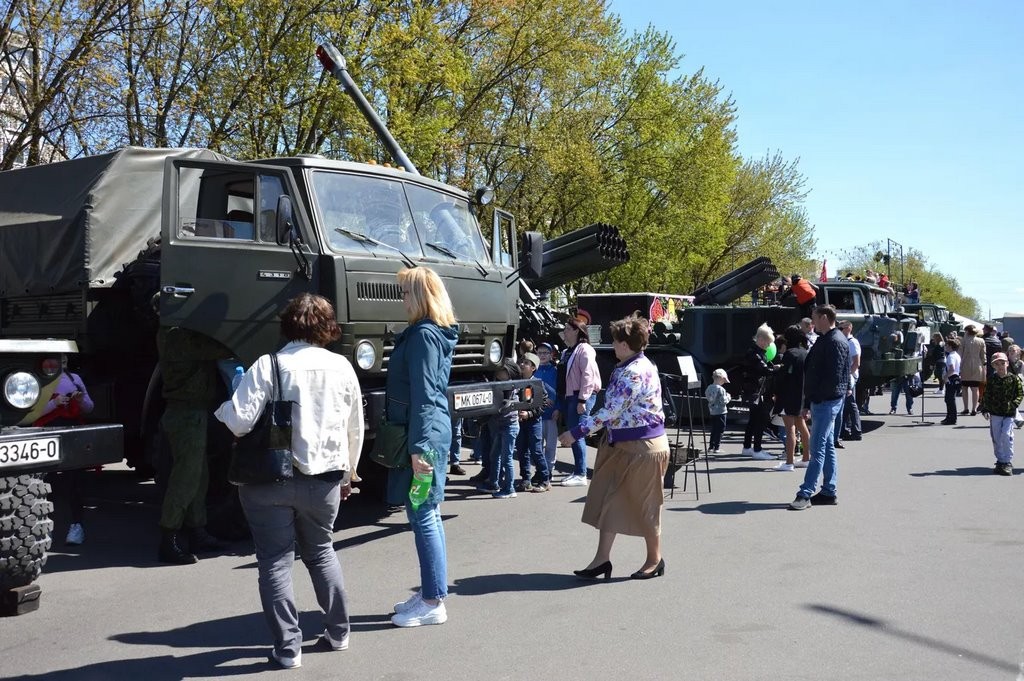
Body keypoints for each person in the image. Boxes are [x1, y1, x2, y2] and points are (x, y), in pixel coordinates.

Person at [214, 293, 363, 669]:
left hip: (268, 480)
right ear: (327, 326)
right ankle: (339, 631)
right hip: (325, 481)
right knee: (322, 552)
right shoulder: (343, 367)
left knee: (275, 563)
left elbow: (239, 422)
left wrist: (224, 406)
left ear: (287, 325)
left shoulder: (268, 365)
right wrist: (350, 473)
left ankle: (288, 649)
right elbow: (355, 428)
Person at [558, 314, 669, 580]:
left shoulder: (633, 372)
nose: (613, 345)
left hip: (643, 447)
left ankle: (655, 560)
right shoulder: (633, 365)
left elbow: (610, 411)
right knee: (609, 502)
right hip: (626, 444)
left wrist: (575, 433)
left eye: (616, 340)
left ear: (625, 344)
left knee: (646, 506)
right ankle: (601, 560)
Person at [385, 266, 458, 628]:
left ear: (420, 296)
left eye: (405, 293)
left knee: (423, 512)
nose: (401, 300)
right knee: (424, 511)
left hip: (424, 439)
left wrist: (420, 448)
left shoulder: (425, 336)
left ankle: (432, 601)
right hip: (424, 435)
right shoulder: (427, 333)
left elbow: (426, 396)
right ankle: (432, 591)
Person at [156, 326, 232, 564]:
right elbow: (222, 349)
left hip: (191, 412)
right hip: (186, 413)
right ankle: (169, 539)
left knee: (199, 477)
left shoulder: (174, 334)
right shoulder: (177, 336)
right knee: (185, 479)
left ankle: (198, 532)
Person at [789, 305, 849, 510]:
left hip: (826, 401)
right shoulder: (830, 339)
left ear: (824, 317)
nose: (813, 322)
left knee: (818, 448)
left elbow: (832, 377)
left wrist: (813, 399)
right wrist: (810, 402)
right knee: (826, 446)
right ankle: (828, 491)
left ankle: (805, 493)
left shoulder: (834, 341)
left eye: (815, 318)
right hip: (825, 401)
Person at [35, 357, 95, 545]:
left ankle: (77, 526)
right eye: (55, 358)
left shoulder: (75, 378)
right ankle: (42, 528)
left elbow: (89, 407)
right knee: (45, 483)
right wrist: (55, 403)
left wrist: (80, 398)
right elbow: (31, 412)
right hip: (47, 434)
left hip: (71, 433)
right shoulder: (37, 380)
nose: (60, 362)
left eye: (63, 358)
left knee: (75, 481)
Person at [560, 315, 602, 487]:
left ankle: (581, 474)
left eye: (568, 329)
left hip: (581, 396)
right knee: (573, 432)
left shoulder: (584, 349)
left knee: (577, 434)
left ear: (577, 331)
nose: (564, 332)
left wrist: (582, 400)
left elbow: (588, 375)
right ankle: (578, 470)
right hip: (572, 396)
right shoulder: (568, 351)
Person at [768, 325, 810, 472]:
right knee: (802, 427)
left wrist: (775, 391)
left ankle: (789, 462)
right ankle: (806, 458)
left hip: (788, 394)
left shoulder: (790, 354)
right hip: (802, 395)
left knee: (789, 428)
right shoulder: (805, 352)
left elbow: (783, 376)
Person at [478, 358, 520, 498]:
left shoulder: (510, 386)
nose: (498, 372)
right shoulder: (499, 384)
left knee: (506, 458)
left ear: (508, 372)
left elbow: (503, 406)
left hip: (510, 426)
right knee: (494, 455)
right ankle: (493, 483)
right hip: (502, 425)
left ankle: (509, 488)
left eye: (501, 370)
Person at [979, 352, 1024, 476]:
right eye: (997, 364)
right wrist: (985, 409)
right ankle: (1000, 460)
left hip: (1009, 413)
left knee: (1007, 435)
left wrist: (1014, 404)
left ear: (1007, 364)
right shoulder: (992, 380)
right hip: (995, 413)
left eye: (1002, 363)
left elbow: (1020, 394)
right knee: (997, 437)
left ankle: (1007, 461)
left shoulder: (1014, 379)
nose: (1000, 366)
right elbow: (987, 395)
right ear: (994, 366)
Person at [741, 323, 779, 460]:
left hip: (753, 390)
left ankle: (747, 447)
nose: (769, 346)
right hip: (756, 391)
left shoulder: (753, 352)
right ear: (761, 339)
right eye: (768, 343)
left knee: (753, 420)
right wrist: (777, 369)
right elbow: (764, 370)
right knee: (759, 420)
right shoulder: (755, 354)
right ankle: (757, 449)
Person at [515, 352, 551, 492]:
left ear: (533, 368)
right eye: (522, 361)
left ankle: (545, 479)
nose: (522, 365)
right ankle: (525, 479)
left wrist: (529, 413)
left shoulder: (537, 384)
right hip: (520, 422)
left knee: (536, 451)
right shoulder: (516, 382)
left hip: (534, 422)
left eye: (527, 363)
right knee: (522, 451)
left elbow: (543, 404)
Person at [534, 343, 559, 476]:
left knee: (550, 445)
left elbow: (560, 392)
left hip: (550, 413)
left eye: (545, 353)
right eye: (540, 352)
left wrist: (558, 408)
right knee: (537, 445)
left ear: (551, 355)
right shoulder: (534, 370)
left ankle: (549, 469)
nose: (542, 355)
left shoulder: (555, 371)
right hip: (537, 414)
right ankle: (540, 469)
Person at [837, 321, 862, 442]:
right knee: (846, 405)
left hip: (850, 377)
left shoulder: (852, 342)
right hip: (845, 376)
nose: (839, 330)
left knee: (851, 405)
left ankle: (857, 431)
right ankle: (845, 430)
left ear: (848, 329)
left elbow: (856, 362)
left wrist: (848, 376)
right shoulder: (844, 341)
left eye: (841, 328)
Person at [959, 325, 986, 415]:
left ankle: (966, 408)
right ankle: (974, 409)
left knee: (964, 388)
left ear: (967, 332)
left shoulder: (964, 341)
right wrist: (984, 366)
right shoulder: (981, 341)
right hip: (977, 366)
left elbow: (960, 354)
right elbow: (983, 356)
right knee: (975, 388)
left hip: (965, 365)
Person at [705, 369, 731, 453]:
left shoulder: (709, 387)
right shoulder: (721, 389)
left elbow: (708, 397)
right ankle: (717, 447)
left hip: (712, 411)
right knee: (720, 429)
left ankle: (711, 446)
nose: (724, 382)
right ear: (720, 378)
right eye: (723, 380)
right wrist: (728, 397)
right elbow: (723, 401)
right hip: (721, 412)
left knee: (713, 429)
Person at [940, 337, 962, 425]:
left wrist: (945, 377)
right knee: (949, 399)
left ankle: (951, 418)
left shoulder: (951, 356)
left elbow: (952, 368)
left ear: (950, 346)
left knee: (950, 399)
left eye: (946, 345)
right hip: (956, 377)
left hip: (951, 378)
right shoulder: (956, 355)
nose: (945, 346)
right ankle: (949, 416)